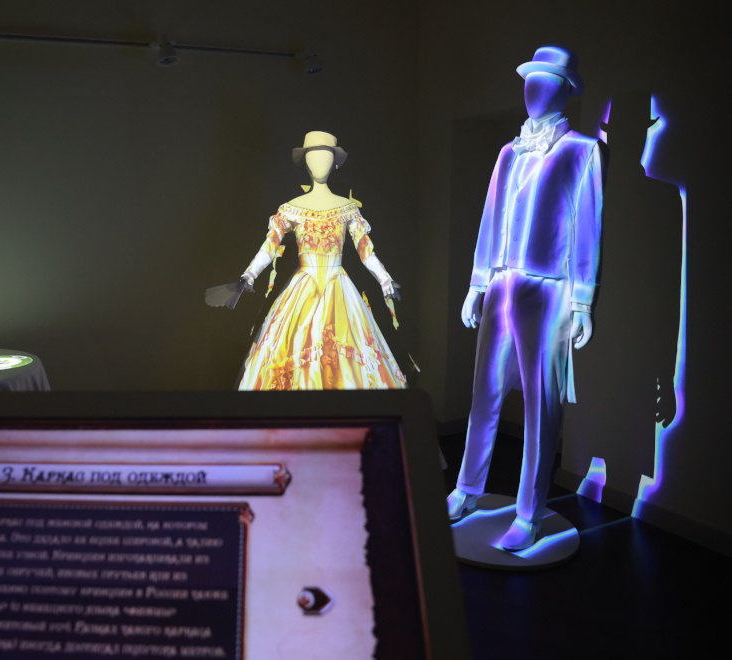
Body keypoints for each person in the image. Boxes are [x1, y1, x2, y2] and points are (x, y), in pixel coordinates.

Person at [447, 46, 604, 551]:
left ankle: (530, 511)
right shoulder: (509, 152)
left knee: (542, 402)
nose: (533, 90)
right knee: (484, 393)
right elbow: (490, 217)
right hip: (502, 281)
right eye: (529, 80)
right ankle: (468, 488)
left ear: (565, 89)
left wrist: (582, 301)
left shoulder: (582, 150)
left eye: (545, 81)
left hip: (549, 286)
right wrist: (477, 284)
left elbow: (588, 229)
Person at [235, 131, 407, 390]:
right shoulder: (291, 208)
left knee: (344, 351)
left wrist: (385, 279)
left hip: (339, 286)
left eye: (325, 157)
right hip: (303, 286)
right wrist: (249, 274)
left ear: (334, 163)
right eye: (314, 157)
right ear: (306, 162)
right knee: (297, 346)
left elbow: (365, 250)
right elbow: (269, 246)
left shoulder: (347, 208)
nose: (320, 163)